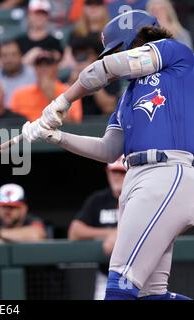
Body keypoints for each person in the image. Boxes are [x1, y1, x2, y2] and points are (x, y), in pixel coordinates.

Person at [22, 10, 194, 300]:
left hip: (167, 171)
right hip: (137, 178)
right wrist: (56, 136)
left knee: (120, 287)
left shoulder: (173, 53)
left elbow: (101, 71)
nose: (113, 57)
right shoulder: (127, 97)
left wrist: (62, 101)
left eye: (116, 49)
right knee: (149, 295)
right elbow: (109, 150)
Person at [68, 157, 126, 300]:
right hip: (105, 275)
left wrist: (120, 235)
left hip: (135, 273)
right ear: (107, 172)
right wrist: (110, 233)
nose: (117, 176)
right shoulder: (98, 200)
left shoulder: (139, 197)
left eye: (122, 172)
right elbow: (74, 232)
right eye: (114, 172)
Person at [9, 51, 82, 122]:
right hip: (28, 132)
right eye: (40, 65)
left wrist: (52, 97)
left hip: (58, 132)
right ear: (35, 69)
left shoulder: (70, 92)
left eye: (48, 64)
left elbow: (73, 123)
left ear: (56, 67)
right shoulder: (20, 94)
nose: (43, 68)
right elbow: (11, 122)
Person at [69, 35, 120, 116]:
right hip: (77, 124)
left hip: (100, 124)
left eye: (87, 54)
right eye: (79, 54)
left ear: (96, 55)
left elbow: (109, 108)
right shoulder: (71, 76)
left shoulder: (109, 74)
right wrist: (72, 83)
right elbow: (67, 113)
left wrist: (91, 77)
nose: (82, 57)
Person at [0, 39, 36, 106]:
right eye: (4, 55)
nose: (9, 59)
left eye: (13, 54)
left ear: (21, 55)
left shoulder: (34, 74)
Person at [60, 0, 110, 71]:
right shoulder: (75, 32)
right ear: (84, 8)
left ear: (104, 8)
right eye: (89, 4)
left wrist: (90, 65)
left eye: (98, 4)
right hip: (75, 70)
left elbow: (112, 59)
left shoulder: (109, 33)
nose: (93, 8)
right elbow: (67, 56)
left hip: (101, 71)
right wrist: (75, 66)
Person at [15, 0, 63, 65]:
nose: (40, 17)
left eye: (43, 14)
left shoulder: (54, 42)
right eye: (37, 13)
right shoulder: (19, 41)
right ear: (29, 15)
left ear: (48, 16)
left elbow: (61, 63)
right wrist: (29, 57)